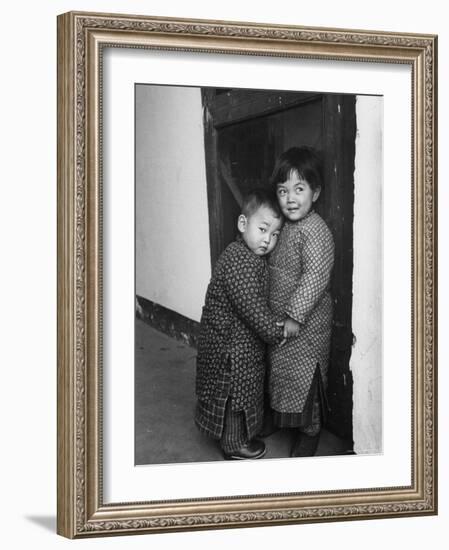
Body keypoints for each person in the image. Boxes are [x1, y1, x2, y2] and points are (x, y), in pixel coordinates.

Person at [195, 188, 285, 460]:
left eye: (274, 235)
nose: (267, 240)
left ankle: (246, 431)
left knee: (245, 390)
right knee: (235, 394)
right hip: (228, 348)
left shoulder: (249, 257)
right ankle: (234, 445)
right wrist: (274, 331)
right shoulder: (239, 262)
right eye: (263, 229)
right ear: (243, 224)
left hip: (237, 341)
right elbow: (252, 307)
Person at [265, 146, 335, 457]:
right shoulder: (284, 226)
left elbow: (315, 277)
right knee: (280, 376)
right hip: (281, 324)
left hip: (306, 329)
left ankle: (310, 432)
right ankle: (282, 420)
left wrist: (295, 315)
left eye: (299, 188)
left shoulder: (316, 231)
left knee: (305, 383)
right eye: (283, 190)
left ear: (315, 192)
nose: (290, 198)